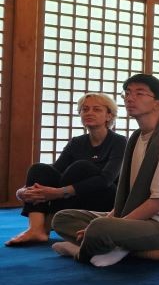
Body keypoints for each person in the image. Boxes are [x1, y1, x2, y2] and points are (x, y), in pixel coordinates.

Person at [51, 74, 159, 267]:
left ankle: (83, 251)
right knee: (64, 218)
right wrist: (112, 218)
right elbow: (129, 194)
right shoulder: (137, 137)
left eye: (140, 93)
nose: (130, 98)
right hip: (136, 219)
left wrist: (114, 225)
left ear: (158, 103)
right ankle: (116, 244)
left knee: (100, 228)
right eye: (128, 93)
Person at [7, 94, 126, 247]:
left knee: (81, 167)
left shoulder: (119, 141)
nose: (89, 113)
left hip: (107, 200)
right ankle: (36, 229)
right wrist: (22, 191)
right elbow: (54, 172)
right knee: (39, 169)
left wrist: (57, 193)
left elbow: (105, 180)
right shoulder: (77, 142)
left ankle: (48, 220)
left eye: (96, 109)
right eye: (85, 109)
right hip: (73, 197)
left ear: (109, 116)